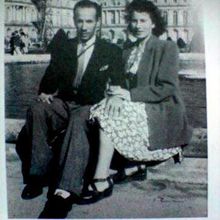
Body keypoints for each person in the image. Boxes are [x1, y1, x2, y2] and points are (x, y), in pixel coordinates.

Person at [16, 0, 124, 218]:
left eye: (89, 21)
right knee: (37, 109)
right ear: (75, 21)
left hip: (89, 106)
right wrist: (44, 92)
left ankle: (65, 192)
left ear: (97, 22)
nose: (84, 27)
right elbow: (50, 76)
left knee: (80, 119)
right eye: (80, 21)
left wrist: (117, 97)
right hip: (64, 103)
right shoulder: (64, 46)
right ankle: (38, 176)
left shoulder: (110, 51)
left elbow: (120, 82)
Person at [80, 0, 193, 204]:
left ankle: (101, 179)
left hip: (160, 108)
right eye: (134, 20)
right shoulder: (128, 49)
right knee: (101, 108)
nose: (137, 25)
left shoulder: (166, 47)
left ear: (153, 23)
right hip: (137, 105)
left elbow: (167, 88)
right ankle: (133, 167)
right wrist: (114, 93)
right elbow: (118, 82)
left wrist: (127, 95)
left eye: (143, 20)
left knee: (107, 115)